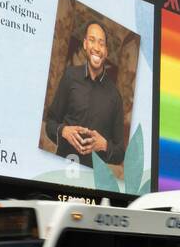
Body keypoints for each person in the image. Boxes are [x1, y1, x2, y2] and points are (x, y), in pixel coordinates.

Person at [43, 20, 126, 165]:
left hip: (92, 180)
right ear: (85, 44)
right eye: (92, 41)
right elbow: (50, 123)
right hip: (61, 169)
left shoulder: (115, 96)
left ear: (106, 51)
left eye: (101, 43)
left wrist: (104, 145)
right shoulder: (70, 76)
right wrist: (63, 131)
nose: (97, 48)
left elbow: (120, 153)